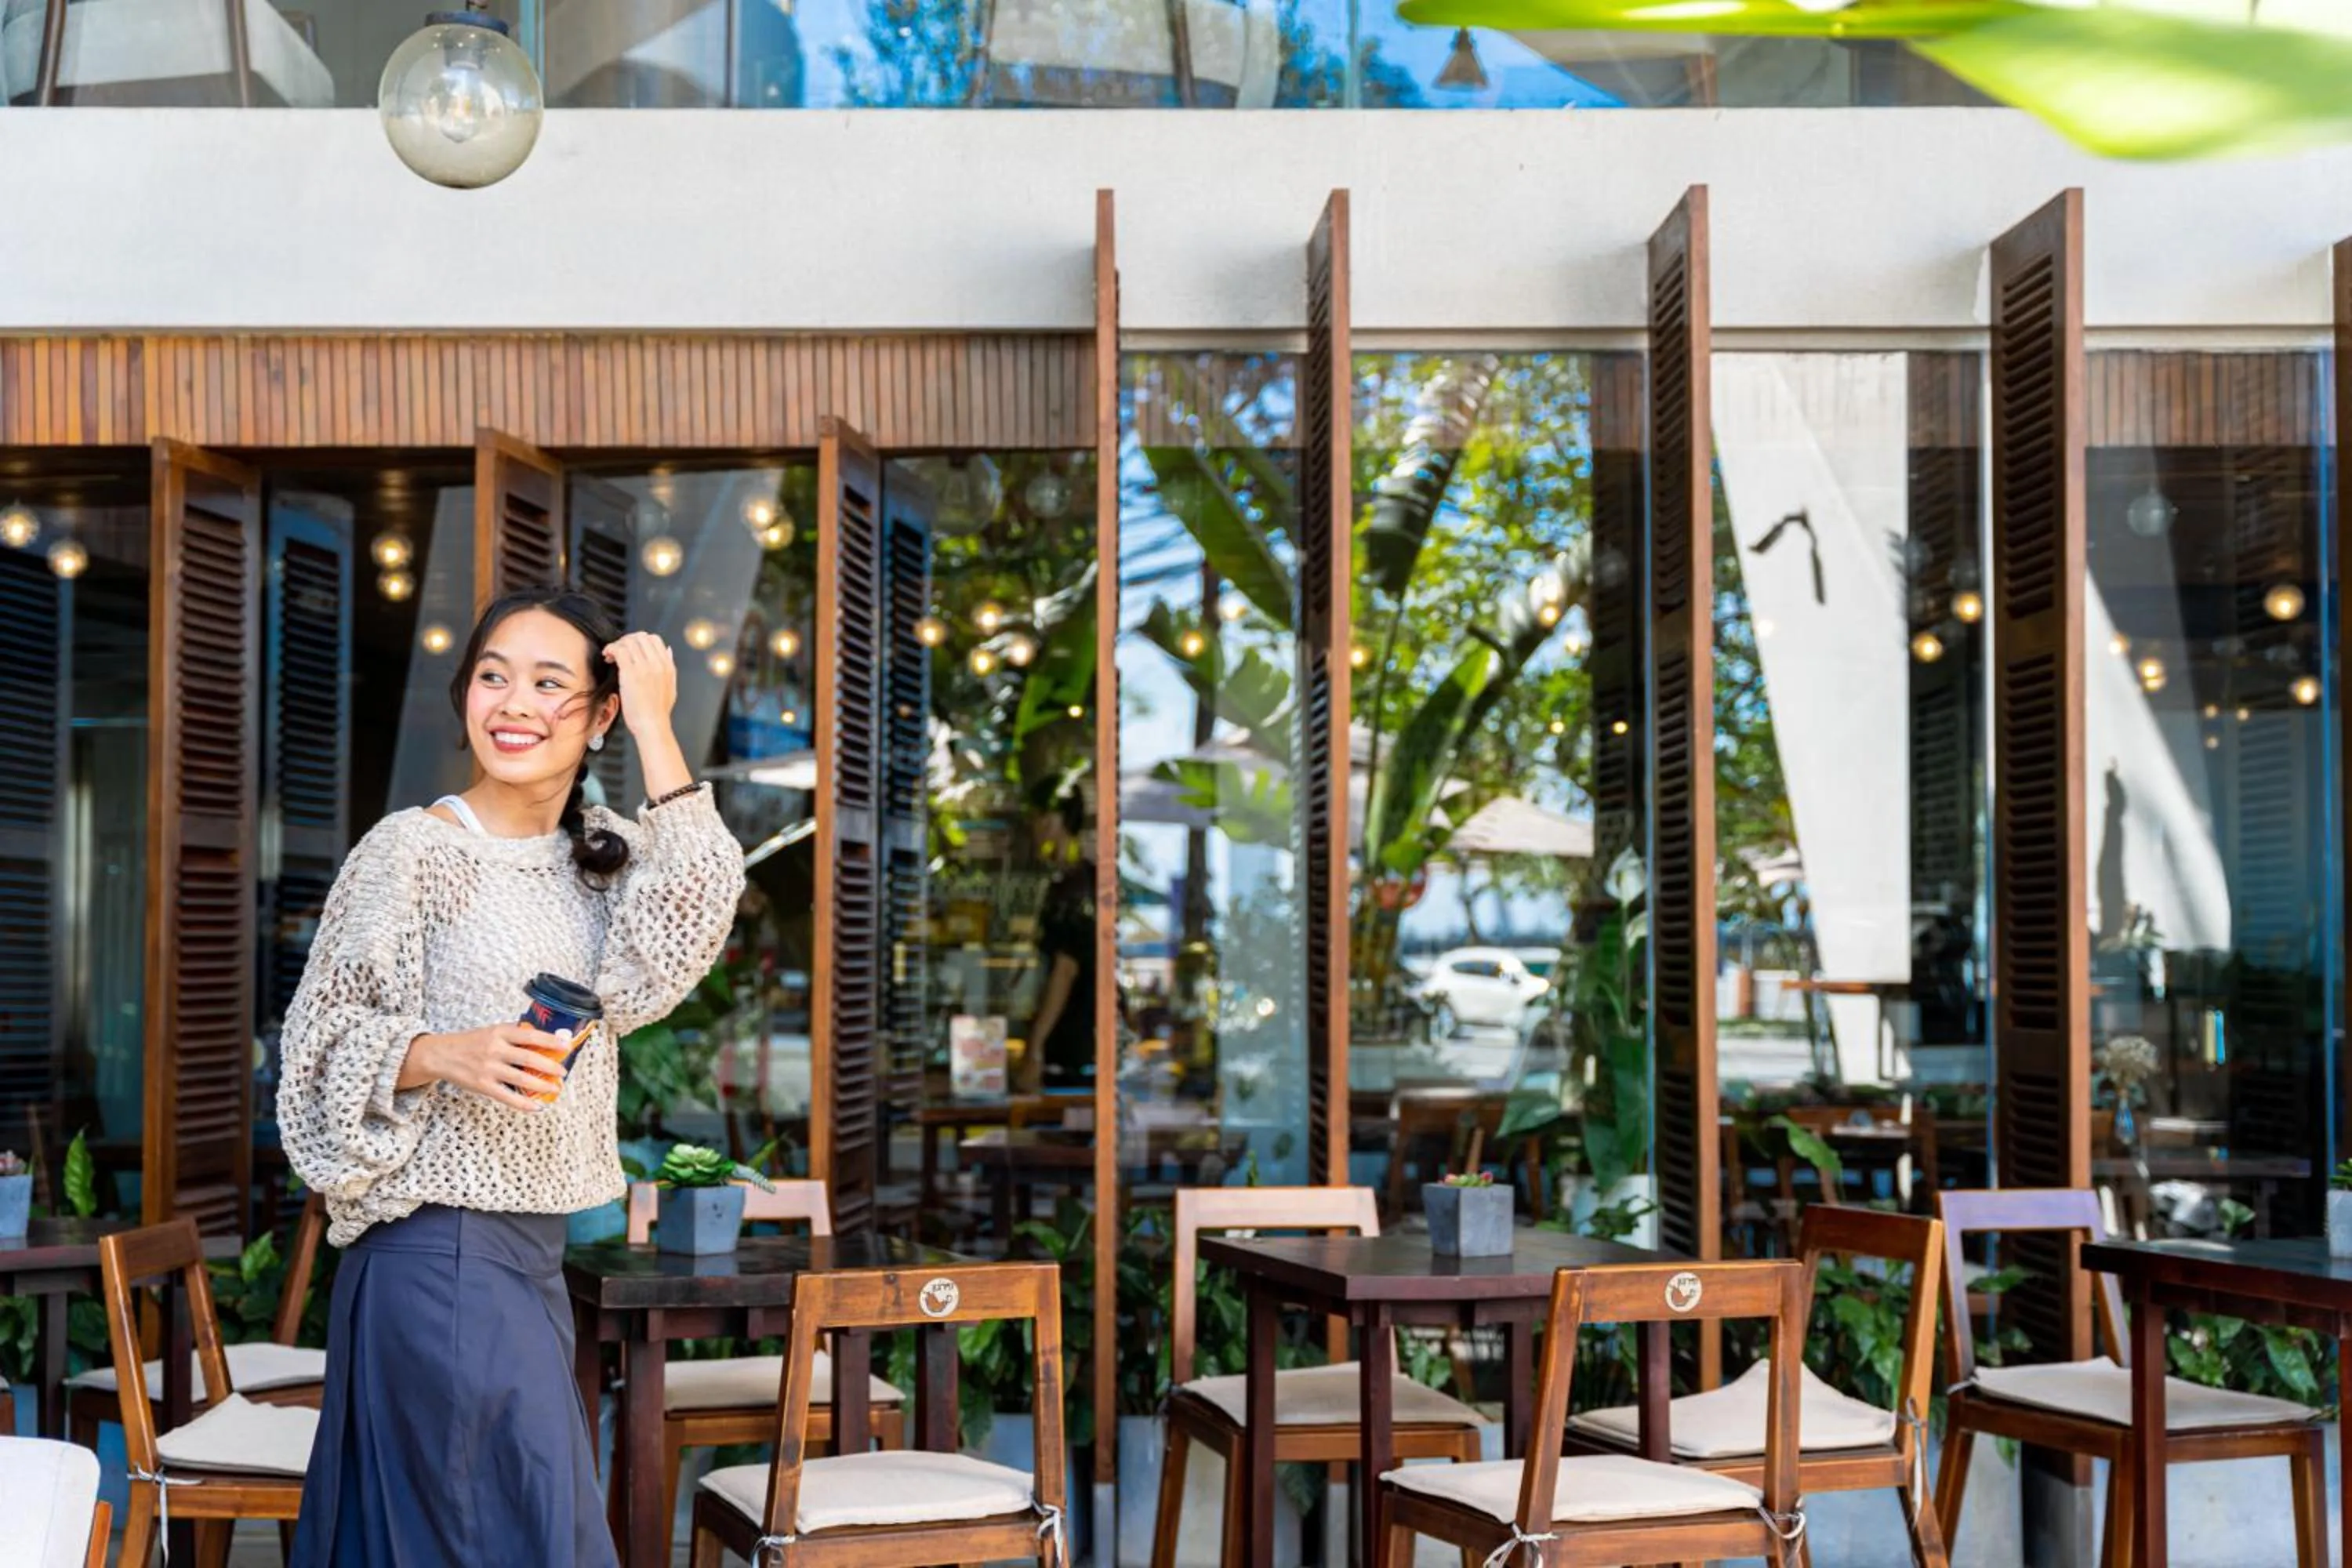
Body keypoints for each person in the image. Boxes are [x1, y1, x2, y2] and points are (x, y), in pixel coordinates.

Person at [277, 587, 746, 1566]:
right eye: (494, 676)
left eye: (549, 683)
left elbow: (698, 906)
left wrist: (657, 722)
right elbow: (315, 1049)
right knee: (515, 1538)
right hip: (433, 1253)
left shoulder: (603, 861)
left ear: (599, 711)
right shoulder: (415, 850)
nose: (514, 703)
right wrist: (445, 1051)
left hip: (528, 1261)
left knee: (516, 1532)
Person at [1014, 782, 1095, 1093]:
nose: (1032, 828)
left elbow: (1064, 970)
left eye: (1036, 818)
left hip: (1069, 1044)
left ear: (1053, 820)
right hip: (1087, 1039)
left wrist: (1035, 1046)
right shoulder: (1086, 877)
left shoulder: (1068, 888)